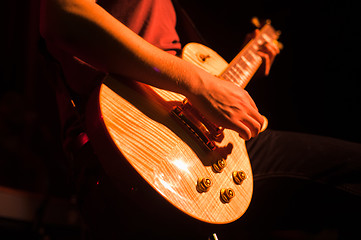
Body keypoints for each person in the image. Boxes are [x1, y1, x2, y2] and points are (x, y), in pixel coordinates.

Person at [39, 0, 361, 239]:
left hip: (202, 145)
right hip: (127, 142)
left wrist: (241, 59)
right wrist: (199, 83)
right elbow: (65, 15)